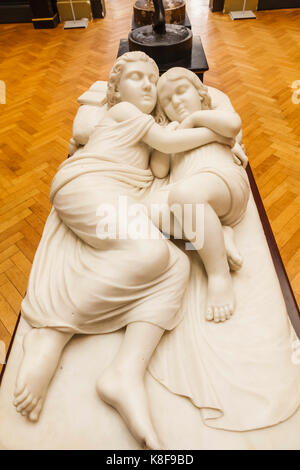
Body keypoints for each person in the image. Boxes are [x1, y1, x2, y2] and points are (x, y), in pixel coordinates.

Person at [13, 52, 234, 449]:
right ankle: (51, 334)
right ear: (115, 92)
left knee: (176, 267)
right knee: (150, 254)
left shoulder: (146, 128)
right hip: (88, 186)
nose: (148, 85)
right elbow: (167, 140)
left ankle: (124, 374)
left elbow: (161, 167)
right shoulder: (122, 114)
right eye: (137, 78)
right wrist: (215, 133)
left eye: (153, 80)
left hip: (116, 197)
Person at [148, 67, 250, 323]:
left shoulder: (213, 115)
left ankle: (218, 275)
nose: (177, 101)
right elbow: (159, 171)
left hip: (222, 182)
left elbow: (233, 124)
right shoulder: (169, 131)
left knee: (184, 195)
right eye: (168, 101)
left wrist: (193, 120)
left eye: (182, 91)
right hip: (190, 202)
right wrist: (165, 137)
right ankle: (219, 234)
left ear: (200, 92)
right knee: (151, 210)